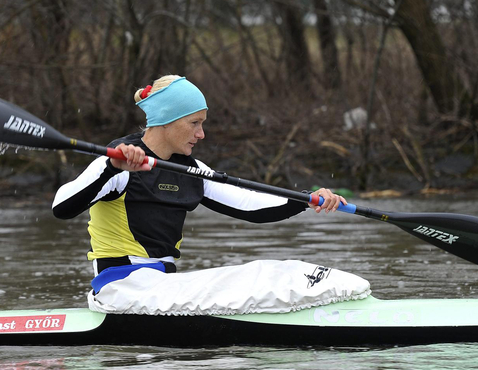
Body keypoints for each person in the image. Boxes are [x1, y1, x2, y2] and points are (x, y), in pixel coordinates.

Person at [53, 75, 346, 277]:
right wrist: (111, 169)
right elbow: (62, 206)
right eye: (194, 123)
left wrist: (307, 199)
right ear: (166, 119)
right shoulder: (118, 159)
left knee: (264, 270)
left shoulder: (191, 170)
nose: (201, 134)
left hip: (161, 285)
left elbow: (249, 205)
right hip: (119, 286)